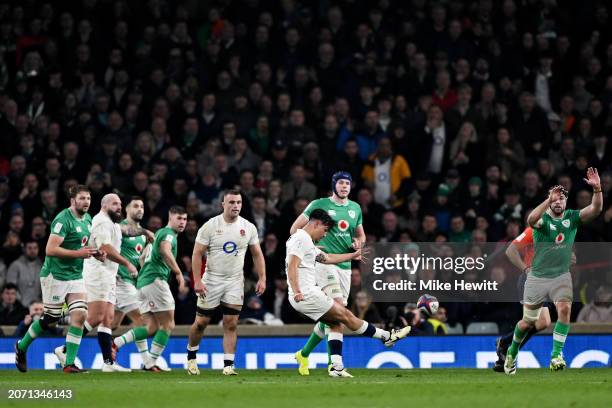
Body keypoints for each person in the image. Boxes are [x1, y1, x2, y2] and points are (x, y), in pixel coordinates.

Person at [286, 208, 411, 377]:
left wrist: (352, 256)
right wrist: (297, 291)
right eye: (324, 230)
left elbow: (327, 258)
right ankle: (387, 336)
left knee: (336, 322)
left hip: (308, 292)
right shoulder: (301, 238)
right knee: (345, 316)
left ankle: (336, 367)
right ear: (316, 223)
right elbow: (292, 265)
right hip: (306, 294)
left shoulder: (305, 240)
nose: (324, 235)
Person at [504, 168, 603, 375]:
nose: (558, 202)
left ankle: (556, 355)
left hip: (560, 276)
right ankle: (512, 352)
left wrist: (597, 189)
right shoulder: (542, 222)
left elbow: (595, 210)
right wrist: (547, 200)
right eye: (555, 200)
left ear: (566, 203)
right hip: (537, 277)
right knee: (528, 322)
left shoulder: (572, 218)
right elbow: (531, 220)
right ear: (550, 202)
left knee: (564, 309)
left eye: (561, 199)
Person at [15, 185, 102, 373]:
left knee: (80, 314)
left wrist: (95, 253)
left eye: (88, 198)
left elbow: (83, 245)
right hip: (55, 275)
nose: (86, 202)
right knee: (51, 318)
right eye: (82, 198)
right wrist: (78, 254)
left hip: (75, 275)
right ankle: (21, 347)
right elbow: (50, 249)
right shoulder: (62, 219)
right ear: (72, 200)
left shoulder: (87, 219)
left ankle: (68, 363)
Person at [290, 171, 366, 376]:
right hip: (323, 263)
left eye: (347, 183)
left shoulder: (355, 208)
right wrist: (312, 247)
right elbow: (294, 229)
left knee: (333, 314)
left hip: (344, 265)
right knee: (338, 308)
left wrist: (358, 243)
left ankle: (303, 354)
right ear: (334, 185)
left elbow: (360, 235)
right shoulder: (318, 204)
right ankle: (335, 364)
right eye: (341, 183)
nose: (344, 186)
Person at [186, 190, 266, 376]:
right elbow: (197, 253)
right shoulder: (210, 226)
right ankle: (191, 357)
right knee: (201, 323)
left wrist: (262, 278)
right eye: (231, 202)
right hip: (212, 279)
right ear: (223, 204)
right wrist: (197, 280)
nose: (235, 206)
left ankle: (228, 365)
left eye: (238, 202)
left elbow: (257, 254)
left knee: (230, 323)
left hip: (235, 281)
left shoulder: (248, 227)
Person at [112, 206, 188, 372]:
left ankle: (116, 343)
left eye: (184, 219)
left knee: (151, 327)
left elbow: (141, 258)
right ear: (170, 217)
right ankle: (151, 362)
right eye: (179, 218)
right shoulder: (168, 234)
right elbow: (165, 250)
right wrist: (178, 272)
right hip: (155, 281)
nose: (182, 222)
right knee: (168, 324)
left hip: (142, 283)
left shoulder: (160, 233)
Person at [492, 226, 552, 372]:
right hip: (530, 280)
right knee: (536, 321)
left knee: (541, 323)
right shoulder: (534, 229)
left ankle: (505, 346)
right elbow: (510, 250)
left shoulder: (560, 232)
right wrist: (526, 269)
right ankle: (506, 346)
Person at [111, 197, 150, 365]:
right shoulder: (119, 228)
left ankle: (65, 349)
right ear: (126, 209)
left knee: (111, 324)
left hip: (131, 283)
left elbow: (140, 261)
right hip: (120, 280)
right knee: (144, 321)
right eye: (135, 206)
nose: (140, 209)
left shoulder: (142, 234)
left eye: (142, 206)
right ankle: (147, 362)